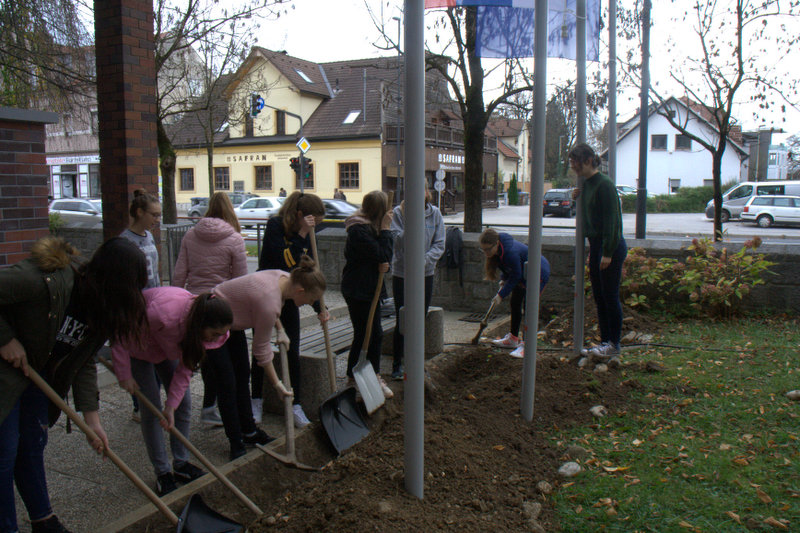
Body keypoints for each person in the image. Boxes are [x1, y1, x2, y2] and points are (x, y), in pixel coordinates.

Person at [1, 236, 149, 533]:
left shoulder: (100, 308)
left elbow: (83, 361)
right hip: (5, 373)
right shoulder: (44, 280)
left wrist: (92, 421)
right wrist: (5, 339)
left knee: (32, 445)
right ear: (112, 282)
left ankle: (44, 521)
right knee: (4, 452)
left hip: (35, 374)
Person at [112, 288, 232, 496]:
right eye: (214, 334)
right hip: (138, 346)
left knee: (182, 403)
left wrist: (171, 406)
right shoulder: (162, 314)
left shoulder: (202, 333)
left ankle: (181, 463)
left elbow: (185, 369)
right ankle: (163, 472)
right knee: (152, 409)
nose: (216, 339)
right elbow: (121, 333)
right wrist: (124, 373)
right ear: (201, 324)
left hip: (167, 346)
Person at [212, 257, 324, 455]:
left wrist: (280, 329)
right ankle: (236, 442)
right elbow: (261, 351)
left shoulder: (285, 278)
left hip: (232, 321)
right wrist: (277, 384)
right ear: (300, 291)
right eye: (311, 300)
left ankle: (249, 431)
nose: (310, 303)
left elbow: (272, 307)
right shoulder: (269, 300)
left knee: (242, 375)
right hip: (213, 321)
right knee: (227, 383)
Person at [172, 192, 247, 428]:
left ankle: (208, 407)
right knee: (232, 368)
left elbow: (180, 272)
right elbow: (240, 280)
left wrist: (177, 301)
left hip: (196, 306)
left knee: (207, 359)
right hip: (223, 308)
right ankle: (235, 417)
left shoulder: (190, 235)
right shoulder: (235, 238)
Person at [257, 192, 328, 428]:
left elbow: (307, 274)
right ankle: (256, 400)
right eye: (313, 222)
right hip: (266, 294)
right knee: (260, 349)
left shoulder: (307, 234)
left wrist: (319, 306)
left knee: (293, 350)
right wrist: (302, 235)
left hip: (291, 298)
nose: (314, 227)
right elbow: (285, 262)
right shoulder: (275, 226)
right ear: (300, 215)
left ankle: (296, 404)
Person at [569, 142, 627, 362]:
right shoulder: (587, 184)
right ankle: (605, 343)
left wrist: (608, 252)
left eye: (575, 162)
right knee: (600, 297)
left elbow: (613, 221)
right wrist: (577, 196)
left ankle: (614, 344)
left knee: (610, 296)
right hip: (596, 245)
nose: (573, 166)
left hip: (608, 245)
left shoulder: (605, 185)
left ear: (587, 161)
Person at [389, 184, 445, 380]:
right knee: (402, 317)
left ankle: (416, 362)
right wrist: (410, 221)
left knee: (420, 318)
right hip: (402, 273)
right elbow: (396, 241)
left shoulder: (435, 214)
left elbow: (439, 243)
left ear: (427, 192)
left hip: (425, 273)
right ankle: (397, 364)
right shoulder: (399, 213)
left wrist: (424, 260)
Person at [341, 190, 394, 398]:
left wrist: (383, 264)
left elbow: (384, 259)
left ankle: (371, 375)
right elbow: (382, 254)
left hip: (371, 288)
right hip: (358, 289)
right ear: (378, 211)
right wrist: (386, 229)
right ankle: (354, 377)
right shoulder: (358, 230)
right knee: (365, 333)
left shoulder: (371, 227)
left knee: (374, 333)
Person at [121, 188, 162, 422]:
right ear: (139, 212)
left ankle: (153, 399)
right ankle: (140, 404)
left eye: (159, 215)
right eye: (154, 215)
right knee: (139, 357)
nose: (157, 220)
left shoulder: (149, 236)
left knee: (155, 354)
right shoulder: (125, 241)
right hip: (136, 307)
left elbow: (155, 270)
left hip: (153, 303)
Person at [480, 228, 550, 359]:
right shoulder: (499, 251)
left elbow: (516, 274)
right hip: (523, 274)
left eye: (488, 249)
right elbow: (509, 269)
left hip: (538, 273)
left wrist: (501, 295)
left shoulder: (510, 252)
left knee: (529, 307)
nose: (486, 253)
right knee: (515, 303)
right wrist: (504, 279)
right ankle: (513, 339)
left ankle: (527, 346)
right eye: (483, 250)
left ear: (496, 244)